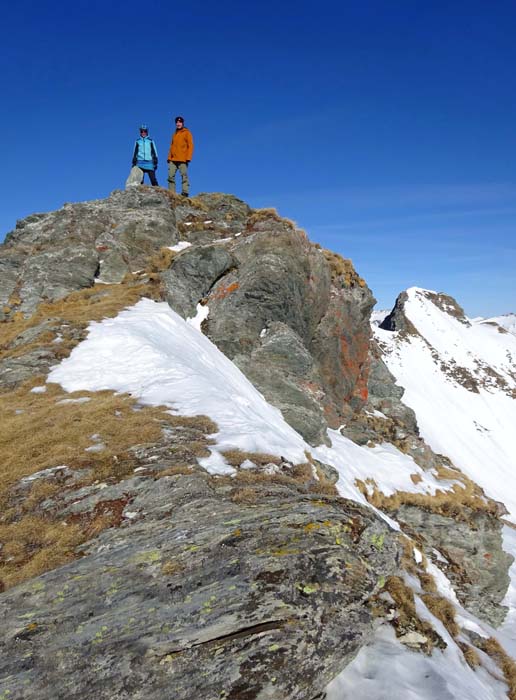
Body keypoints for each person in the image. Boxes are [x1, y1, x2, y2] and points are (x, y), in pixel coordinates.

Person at [167, 116, 194, 196]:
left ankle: (185, 192)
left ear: (182, 123)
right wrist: (169, 157)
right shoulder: (174, 134)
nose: (178, 124)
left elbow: (191, 145)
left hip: (183, 159)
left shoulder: (187, 132)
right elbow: (171, 146)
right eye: (177, 122)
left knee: (184, 175)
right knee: (170, 176)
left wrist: (188, 157)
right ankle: (172, 193)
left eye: (180, 122)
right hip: (173, 159)